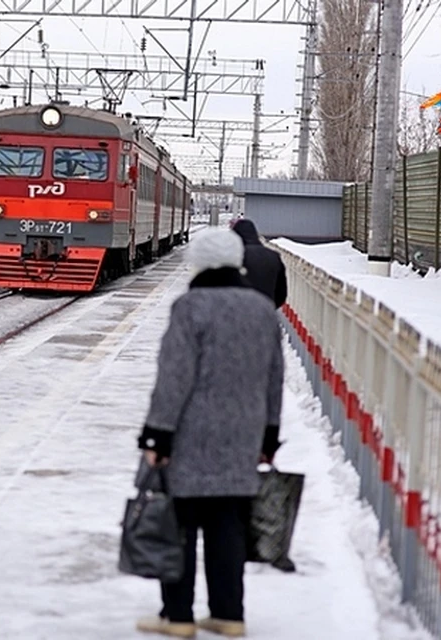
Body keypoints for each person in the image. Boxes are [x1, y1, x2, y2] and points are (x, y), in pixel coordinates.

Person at [134, 228, 284, 638]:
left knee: (179, 526)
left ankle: (178, 617)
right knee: (227, 526)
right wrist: (269, 435)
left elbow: (174, 378)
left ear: (197, 263)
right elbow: (274, 378)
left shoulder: (190, 307)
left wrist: (157, 434)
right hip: (244, 435)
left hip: (190, 435)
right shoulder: (261, 309)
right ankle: (228, 615)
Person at [230, 218, 288, 309]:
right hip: (265, 313)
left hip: (237, 312)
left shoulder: (232, 256)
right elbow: (281, 294)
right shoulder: (273, 257)